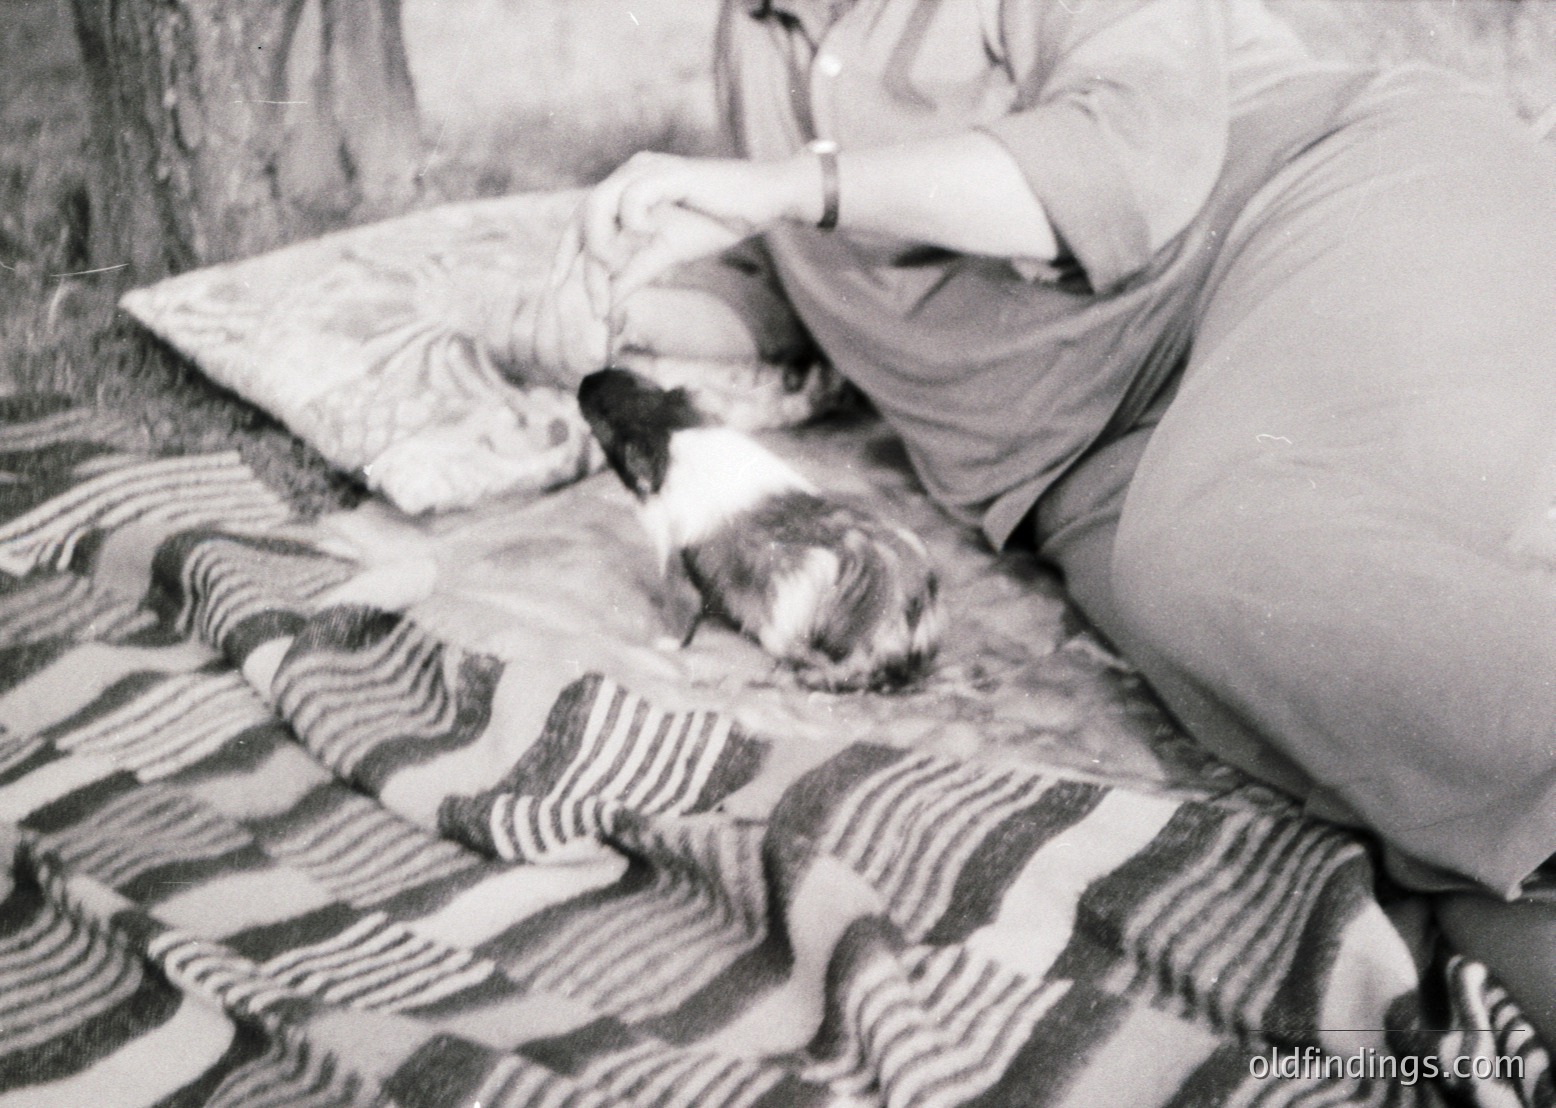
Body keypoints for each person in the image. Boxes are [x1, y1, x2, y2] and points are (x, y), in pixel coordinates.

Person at [530, 0, 1556, 1040]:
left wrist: (789, 184)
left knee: (1209, 561)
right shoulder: (752, 36)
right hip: (1090, 458)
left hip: (1313, 208)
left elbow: (1123, 154)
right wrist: (621, 306)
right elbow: (817, 284)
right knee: (1420, 840)